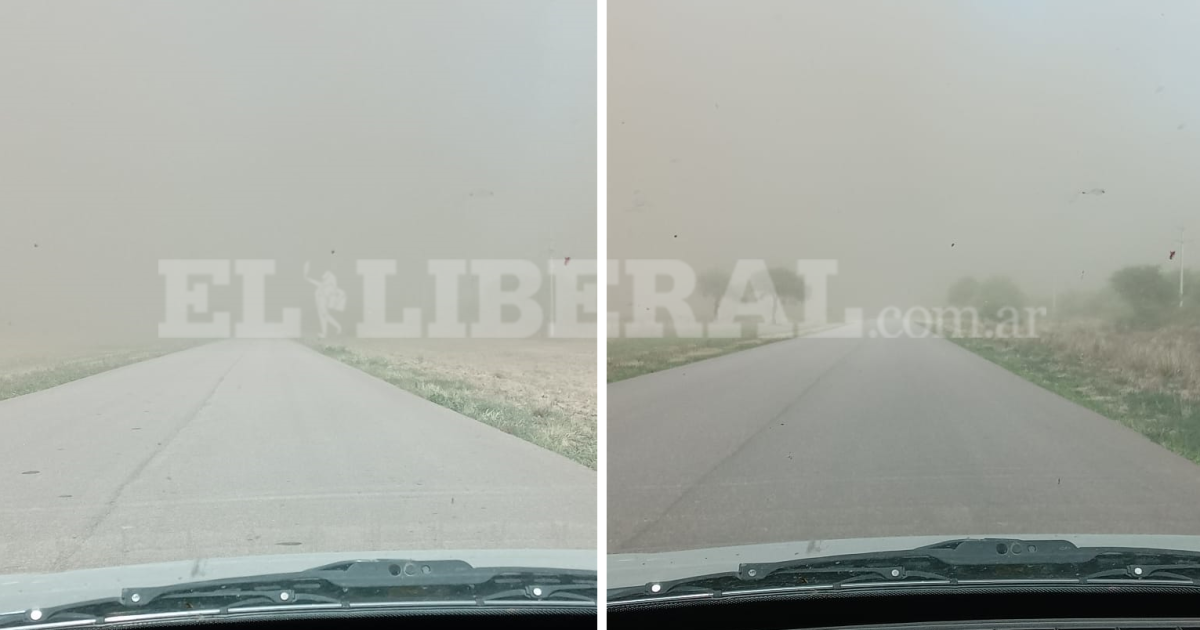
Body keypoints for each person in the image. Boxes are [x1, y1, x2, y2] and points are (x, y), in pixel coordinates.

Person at [304, 262, 345, 338]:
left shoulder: (331, 278)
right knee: (322, 316)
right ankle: (325, 333)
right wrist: (308, 279)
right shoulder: (325, 281)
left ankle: (338, 327)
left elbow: (332, 289)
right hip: (319, 298)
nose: (323, 276)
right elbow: (319, 284)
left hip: (322, 299)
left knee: (324, 315)